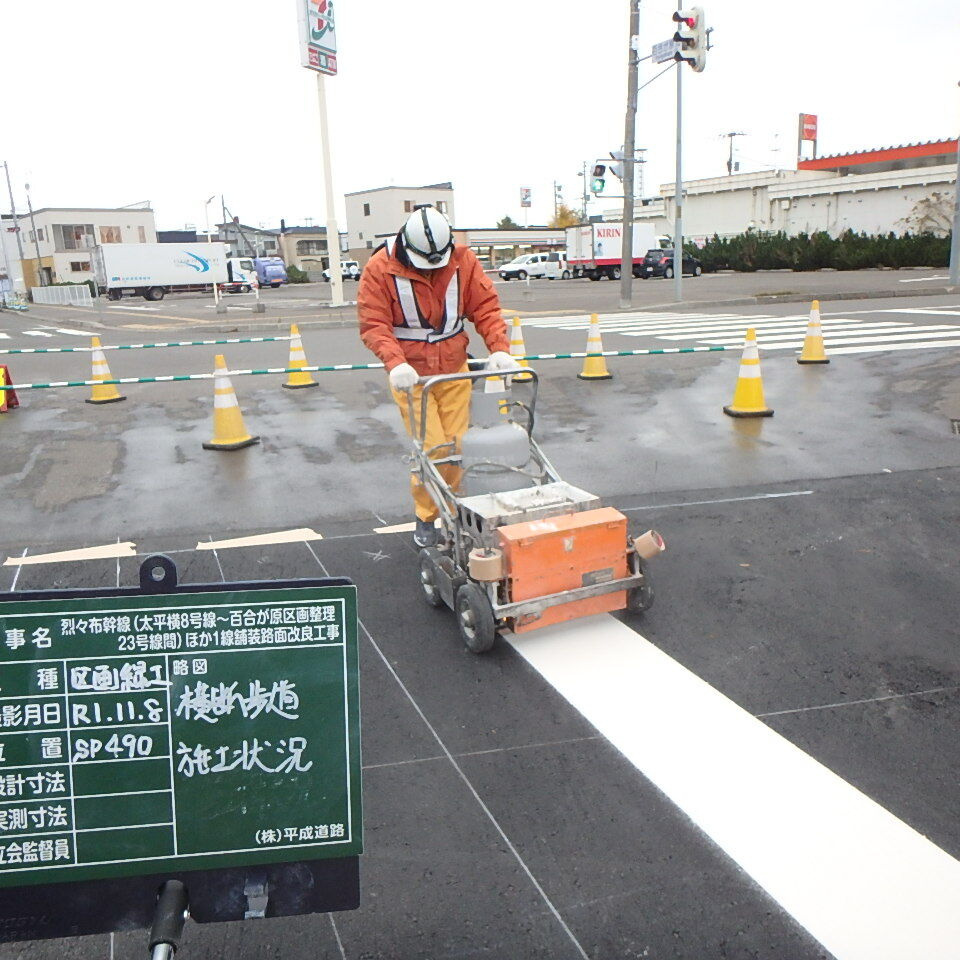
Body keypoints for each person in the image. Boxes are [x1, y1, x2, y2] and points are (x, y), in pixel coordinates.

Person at [358, 204, 519, 547]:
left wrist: (500, 349)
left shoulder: (463, 260)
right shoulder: (379, 268)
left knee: (460, 446)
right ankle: (426, 516)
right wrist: (395, 363)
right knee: (432, 449)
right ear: (407, 246)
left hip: (453, 369)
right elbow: (374, 324)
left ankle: (456, 510)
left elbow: (486, 308)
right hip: (411, 375)